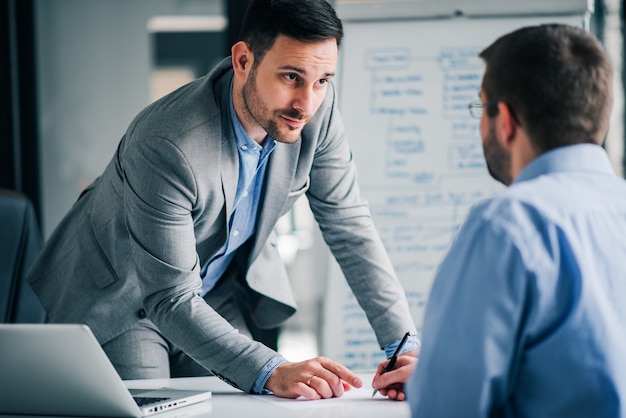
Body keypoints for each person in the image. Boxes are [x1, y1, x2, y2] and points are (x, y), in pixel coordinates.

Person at [26, 0, 418, 399]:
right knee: (158, 409)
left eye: (322, 80)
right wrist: (272, 368)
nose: (306, 103)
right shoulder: (167, 142)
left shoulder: (317, 109)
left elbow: (350, 227)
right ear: (244, 60)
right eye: (291, 76)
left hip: (213, 292)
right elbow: (169, 297)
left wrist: (404, 348)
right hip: (127, 298)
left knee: (259, 401)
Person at [371, 23, 626, 416]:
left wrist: (438, 382)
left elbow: (448, 410)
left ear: (504, 119)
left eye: (481, 107)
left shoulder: (506, 226)